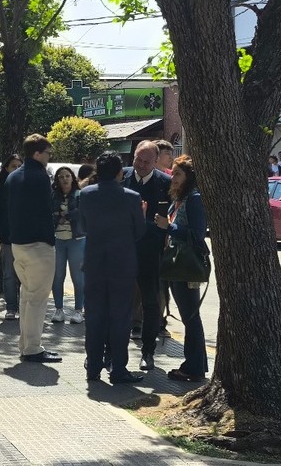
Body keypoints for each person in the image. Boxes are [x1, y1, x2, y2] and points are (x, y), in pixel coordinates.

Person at [81, 152, 146, 384]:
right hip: (122, 264)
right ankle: (118, 368)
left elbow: (82, 226)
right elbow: (139, 232)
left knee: (95, 317)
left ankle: (93, 367)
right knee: (120, 318)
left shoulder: (86, 194)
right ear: (120, 172)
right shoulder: (131, 197)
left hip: (95, 263)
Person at [6, 134, 60, 363]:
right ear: (37, 153)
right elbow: (47, 211)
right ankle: (33, 347)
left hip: (18, 244)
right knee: (37, 299)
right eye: (48, 153)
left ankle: (26, 344)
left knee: (26, 296)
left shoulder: (13, 177)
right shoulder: (40, 177)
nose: (49, 157)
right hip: (39, 244)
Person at [123, 141, 172, 371]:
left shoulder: (166, 184)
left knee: (151, 303)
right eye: (138, 160)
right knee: (120, 302)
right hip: (122, 253)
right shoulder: (121, 178)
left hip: (151, 254)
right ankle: (114, 351)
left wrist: (146, 225)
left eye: (146, 162)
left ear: (156, 161)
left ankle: (148, 351)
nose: (141, 166)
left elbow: (168, 223)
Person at [160, 155, 208, 382]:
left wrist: (170, 227)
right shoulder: (180, 198)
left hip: (187, 265)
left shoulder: (194, 199)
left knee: (191, 317)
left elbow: (197, 234)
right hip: (175, 263)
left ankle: (194, 367)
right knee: (189, 316)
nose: (174, 178)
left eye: (178, 174)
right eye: (173, 173)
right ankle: (194, 365)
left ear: (189, 177)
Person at [50, 166, 85, 325]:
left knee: (78, 277)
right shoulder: (53, 196)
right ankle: (59, 309)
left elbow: (81, 214)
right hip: (58, 240)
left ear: (72, 178)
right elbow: (49, 215)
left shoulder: (79, 195)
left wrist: (66, 215)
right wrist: (60, 216)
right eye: (61, 177)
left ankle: (78, 310)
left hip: (76, 240)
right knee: (57, 276)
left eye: (67, 176)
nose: (64, 179)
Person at [0, 155, 23, 320]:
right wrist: (1, 234)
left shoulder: (27, 187)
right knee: (9, 274)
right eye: (13, 166)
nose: (16, 169)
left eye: (19, 166)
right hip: (7, 239)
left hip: (26, 239)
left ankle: (25, 307)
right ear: (6, 169)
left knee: (25, 276)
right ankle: (11, 307)